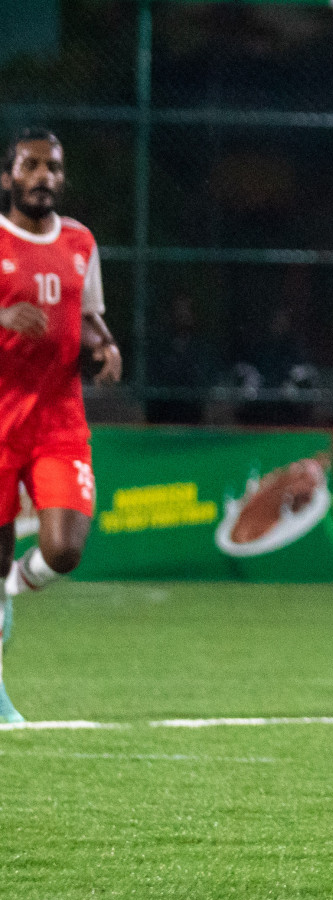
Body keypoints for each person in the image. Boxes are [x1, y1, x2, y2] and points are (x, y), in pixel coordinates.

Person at [0, 128, 122, 722]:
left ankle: (19, 582)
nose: (43, 175)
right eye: (31, 165)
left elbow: (90, 315)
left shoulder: (80, 241)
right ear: (8, 177)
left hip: (58, 419)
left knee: (65, 549)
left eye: (53, 167)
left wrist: (106, 346)